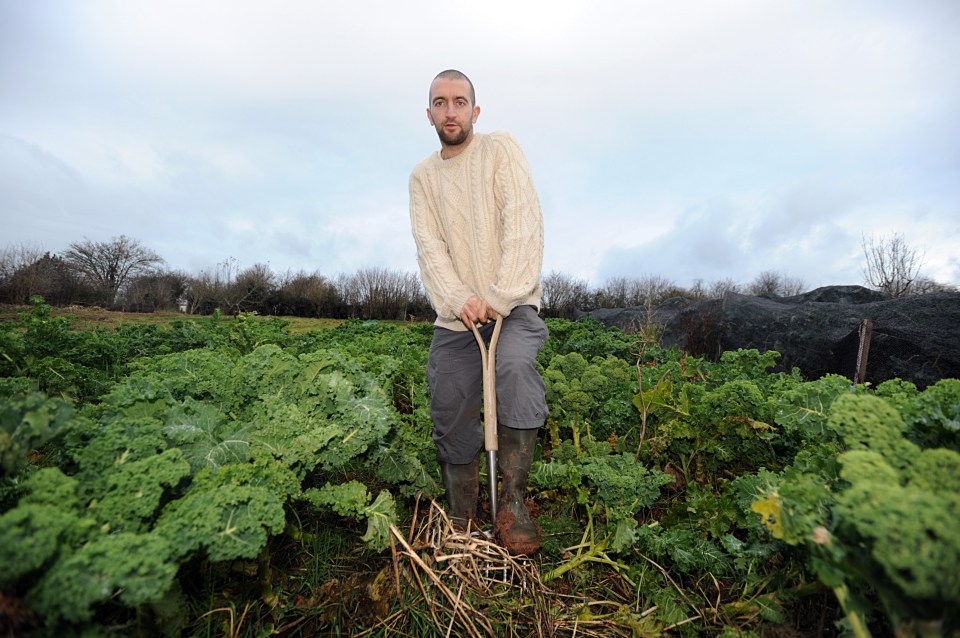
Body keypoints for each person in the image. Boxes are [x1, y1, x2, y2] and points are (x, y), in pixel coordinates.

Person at [408, 69, 548, 554]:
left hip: (512, 305)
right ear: (429, 114)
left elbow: (523, 224)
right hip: (457, 316)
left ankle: (511, 503)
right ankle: (462, 515)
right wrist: (459, 300)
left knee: (512, 369)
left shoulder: (500, 149)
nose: (451, 111)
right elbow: (430, 250)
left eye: (460, 102)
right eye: (441, 103)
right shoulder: (423, 178)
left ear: (475, 110)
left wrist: (500, 294)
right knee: (449, 393)